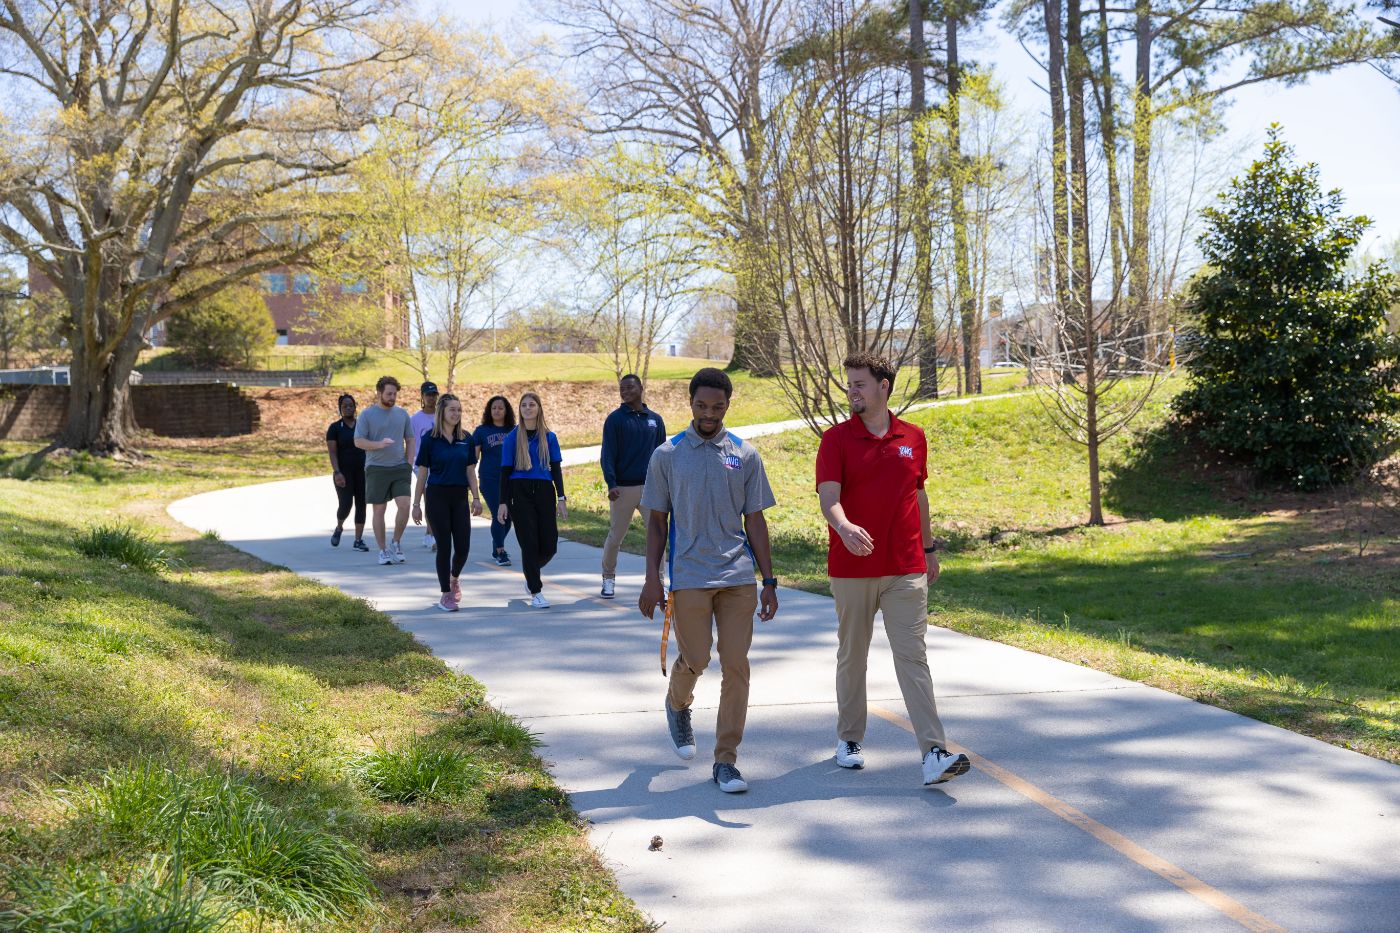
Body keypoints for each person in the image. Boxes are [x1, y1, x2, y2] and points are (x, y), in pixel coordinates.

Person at [814, 351, 970, 786]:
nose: (852, 391)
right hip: (852, 567)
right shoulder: (836, 439)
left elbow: (917, 495)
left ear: (884, 385)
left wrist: (930, 547)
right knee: (853, 654)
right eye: (849, 384)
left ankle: (933, 752)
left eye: (859, 384)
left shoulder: (913, 437)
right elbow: (829, 498)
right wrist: (844, 527)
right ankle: (849, 738)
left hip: (905, 566)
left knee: (913, 658)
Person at [639, 368, 778, 794]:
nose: (709, 414)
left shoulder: (744, 454)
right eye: (702, 405)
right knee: (696, 658)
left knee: (736, 666)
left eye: (717, 407)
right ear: (691, 403)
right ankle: (677, 704)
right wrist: (651, 580)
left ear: (727, 406)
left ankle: (726, 761)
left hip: (737, 575)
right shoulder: (667, 454)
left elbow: (755, 520)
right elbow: (657, 524)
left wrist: (768, 580)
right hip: (689, 575)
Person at [412, 393, 483, 612]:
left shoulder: (467, 438)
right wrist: (416, 505)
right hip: (436, 497)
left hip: (460, 497)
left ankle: (454, 578)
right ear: (442, 412)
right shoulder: (430, 440)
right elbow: (422, 473)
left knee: (463, 547)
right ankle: (445, 594)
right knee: (444, 546)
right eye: (452, 409)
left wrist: (477, 498)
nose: (456, 413)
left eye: (459, 410)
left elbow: (471, 472)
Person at [599, 374, 667, 599]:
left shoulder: (655, 420)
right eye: (622, 388)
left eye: (629, 387)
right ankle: (608, 579)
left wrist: (665, 486)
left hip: (651, 489)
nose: (625, 391)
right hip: (623, 489)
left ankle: (660, 582)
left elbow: (662, 456)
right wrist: (611, 483)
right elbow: (607, 454)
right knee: (615, 536)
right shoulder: (615, 420)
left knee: (657, 536)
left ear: (640, 388)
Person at [498, 392, 566, 609]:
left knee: (550, 544)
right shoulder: (511, 438)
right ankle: (536, 591)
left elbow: (556, 469)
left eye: (532, 404)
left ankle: (530, 572)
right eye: (524, 405)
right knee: (529, 543)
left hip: (544, 490)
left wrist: (561, 497)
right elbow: (505, 472)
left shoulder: (550, 437)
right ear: (520, 410)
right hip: (519, 491)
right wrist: (502, 502)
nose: (527, 408)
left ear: (539, 408)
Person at [354, 375, 417, 566]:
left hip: (400, 467)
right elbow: (358, 441)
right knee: (379, 510)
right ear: (379, 393)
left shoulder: (402, 414)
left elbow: (410, 439)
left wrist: (409, 462)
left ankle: (396, 542)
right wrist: (379, 444)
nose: (392, 397)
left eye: (394, 394)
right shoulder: (367, 415)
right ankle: (382, 550)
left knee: (405, 505)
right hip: (376, 468)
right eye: (389, 394)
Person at [473, 395, 516, 566]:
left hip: (510, 480)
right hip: (489, 479)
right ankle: (500, 551)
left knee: (509, 517)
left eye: (500, 408)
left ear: (506, 411)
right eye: (494, 408)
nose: (497, 411)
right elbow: (473, 458)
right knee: (499, 514)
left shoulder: (514, 430)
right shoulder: (481, 431)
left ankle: (495, 546)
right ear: (489, 411)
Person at [326, 393, 369, 551]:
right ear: (340, 408)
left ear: (355, 407)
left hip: (362, 472)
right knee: (346, 504)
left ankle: (358, 540)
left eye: (351, 405)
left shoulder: (362, 426)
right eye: (345, 406)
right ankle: (339, 527)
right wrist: (337, 472)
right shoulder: (335, 428)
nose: (348, 408)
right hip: (343, 472)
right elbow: (332, 452)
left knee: (361, 504)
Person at [410, 381, 440, 552]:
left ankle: (431, 532)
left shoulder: (441, 416)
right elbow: (411, 441)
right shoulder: (415, 419)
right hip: (422, 464)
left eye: (434, 395)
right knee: (430, 497)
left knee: (435, 498)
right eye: (428, 395)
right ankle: (432, 534)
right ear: (422, 396)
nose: (431, 398)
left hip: (440, 462)